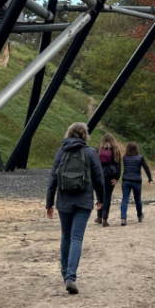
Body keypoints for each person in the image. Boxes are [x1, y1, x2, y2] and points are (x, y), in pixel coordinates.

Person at [45, 121, 105, 294]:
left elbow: (53, 179)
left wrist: (49, 203)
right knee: (77, 238)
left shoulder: (61, 151)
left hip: (64, 201)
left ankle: (65, 274)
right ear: (85, 135)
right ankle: (71, 277)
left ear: (69, 133)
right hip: (84, 200)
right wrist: (101, 199)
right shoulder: (90, 152)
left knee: (66, 237)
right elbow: (99, 178)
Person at [120, 140, 153, 225]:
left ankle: (123, 218)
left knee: (125, 199)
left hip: (126, 180)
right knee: (137, 199)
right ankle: (139, 215)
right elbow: (146, 168)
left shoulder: (125, 157)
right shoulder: (140, 157)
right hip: (136, 181)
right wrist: (150, 179)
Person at [95, 131, 121, 228]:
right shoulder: (116, 149)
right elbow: (118, 164)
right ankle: (105, 219)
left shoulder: (98, 148)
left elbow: (94, 163)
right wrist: (116, 178)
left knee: (99, 196)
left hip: (99, 175)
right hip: (111, 175)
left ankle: (99, 217)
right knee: (107, 197)